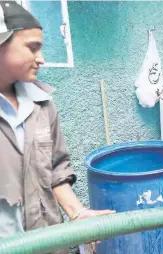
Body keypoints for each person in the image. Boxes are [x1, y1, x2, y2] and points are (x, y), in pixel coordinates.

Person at [0, 2, 114, 251]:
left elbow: (55, 170)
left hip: (49, 244)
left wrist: (77, 213)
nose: (41, 59)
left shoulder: (42, 105)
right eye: (32, 48)